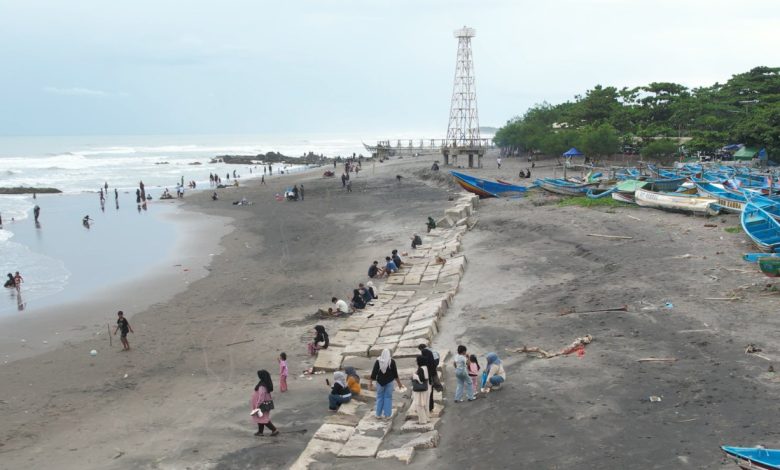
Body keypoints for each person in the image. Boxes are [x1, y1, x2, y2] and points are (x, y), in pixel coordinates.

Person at [369, 348, 403, 419]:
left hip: (380, 382)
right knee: (388, 397)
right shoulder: (392, 362)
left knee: (380, 397)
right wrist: (399, 383)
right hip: (389, 382)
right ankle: (387, 415)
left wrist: (370, 383)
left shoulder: (378, 361)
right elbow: (395, 374)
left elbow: (374, 373)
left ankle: (378, 414)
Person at [251, 370, 279, 436]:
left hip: (262, 404)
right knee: (260, 418)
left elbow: (261, 396)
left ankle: (274, 430)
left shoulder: (262, 386)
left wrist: (257, 405)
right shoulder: (265, 383)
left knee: (263, 418)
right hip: (264, 403)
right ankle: (260, 432)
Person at [418, 344, 439, 411]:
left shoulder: (424, 365)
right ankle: (431, 407)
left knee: (425, 395)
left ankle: (426, 408)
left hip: (426, 383)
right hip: (431, 381)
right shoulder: (432, 364)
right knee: (431, 394)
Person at [411, 355, 431, 424]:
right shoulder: (426, 367)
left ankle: (422, 421)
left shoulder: (421, 369)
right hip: (426, 388)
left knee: (419, 405)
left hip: (420, 390)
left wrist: (414, 376)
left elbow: (421, 380)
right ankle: (427, 418)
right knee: (425, 404)